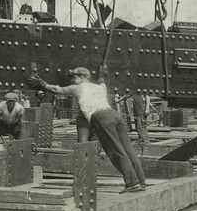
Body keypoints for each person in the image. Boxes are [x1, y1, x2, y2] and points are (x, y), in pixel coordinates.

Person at [28, 65, 146, 194]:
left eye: (75, 76)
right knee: (129, 150)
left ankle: (132, 183)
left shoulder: (78, 88)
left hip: (101, 118)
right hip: (115, 116)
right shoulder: (100, 87)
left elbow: (57, 90)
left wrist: (41, 83)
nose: (72, 80)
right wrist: (101, 74)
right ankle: (141, 181)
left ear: (83, 77)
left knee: (116, 151)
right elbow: (102, 79)